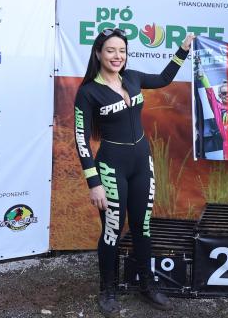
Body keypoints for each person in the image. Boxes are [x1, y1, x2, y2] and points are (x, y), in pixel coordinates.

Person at [74, 28, 192, 318]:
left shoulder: (133, 78)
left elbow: (163, 79)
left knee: (143, 226)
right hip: (110, 167)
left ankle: (147, 285)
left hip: (142, 164)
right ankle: (108, 290)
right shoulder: (88, 92)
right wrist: (94, 183)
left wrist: (183, 50)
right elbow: (81, 140)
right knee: (112, 230)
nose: (117, 56)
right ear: (98, 53)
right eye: (111, 50)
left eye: (122, 51)